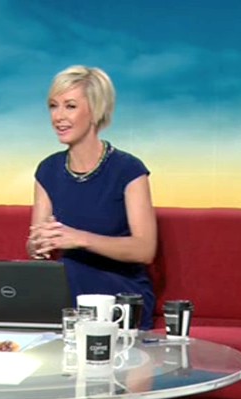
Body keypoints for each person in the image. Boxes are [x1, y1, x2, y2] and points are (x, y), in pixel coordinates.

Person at [28, 65, 158, 329]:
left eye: (70, 106)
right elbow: (36, 246)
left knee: (67, 274)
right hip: (69, 286)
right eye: (53, 106)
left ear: (96, 110)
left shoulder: (128, 170)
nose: (58, 117)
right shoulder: (47, 170)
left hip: (123, 293)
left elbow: (145, 250)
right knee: (42, 282)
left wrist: (80, 239)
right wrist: (38, 246)